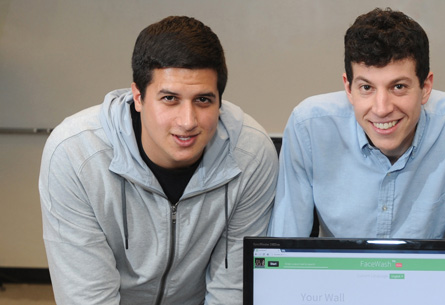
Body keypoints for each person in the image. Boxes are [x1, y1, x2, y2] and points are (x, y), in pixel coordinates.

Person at [39, 16, 277, 304]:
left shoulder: (250, 153)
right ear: (138, 97)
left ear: (219, 101)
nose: (188, 122)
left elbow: (231, 290)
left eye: (203, 100)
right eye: (169, 99)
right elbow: (89, 297)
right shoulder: (76, 154)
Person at [268, 8, 445, 239]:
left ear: (425, 88)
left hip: (426, 275)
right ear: (348, 88)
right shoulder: (308, 126)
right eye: (366, 87)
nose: (382, 108)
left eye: (398, 87)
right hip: (338, 274)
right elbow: (282, 249)